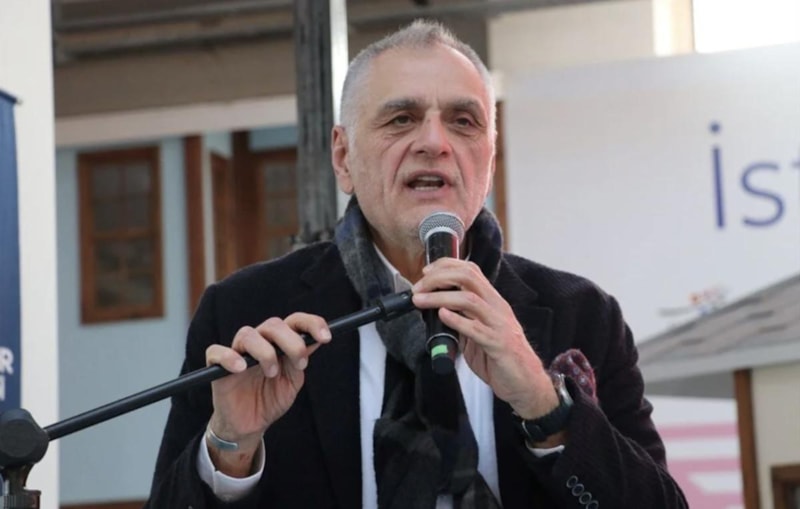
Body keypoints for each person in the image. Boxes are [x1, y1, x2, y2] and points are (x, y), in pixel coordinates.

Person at [146, 19, 687, 509]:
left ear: (489, 159)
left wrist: (546, 406)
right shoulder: (244, 313)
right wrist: (231, 449)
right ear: (343, 157)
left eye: (463, 121)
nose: (434, 142)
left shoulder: (583, 316)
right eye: (401, 119)